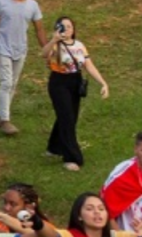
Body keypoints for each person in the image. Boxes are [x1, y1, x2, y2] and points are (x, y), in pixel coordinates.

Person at [41, 16, 110, 171]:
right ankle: (72, 157)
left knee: (69, 116)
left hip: (75, 82)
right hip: (59, 82)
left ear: (73, 30)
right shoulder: (55, 45)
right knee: (67, 117)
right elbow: (43, 54)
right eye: (62, 26)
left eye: (69, 26)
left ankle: (54, 147)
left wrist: (103, 83)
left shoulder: (79, 46)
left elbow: (89, 65)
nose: (66, 29)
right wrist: (53, 40)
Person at [0, 0, 47, 136]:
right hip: (2, 48)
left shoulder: (32, 5)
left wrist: (47, 49)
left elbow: (39, 29)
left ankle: (1, 116)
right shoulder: (0, 2)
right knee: (6, 82)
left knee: (13, 83)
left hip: (20, 49)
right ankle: (5, 120)